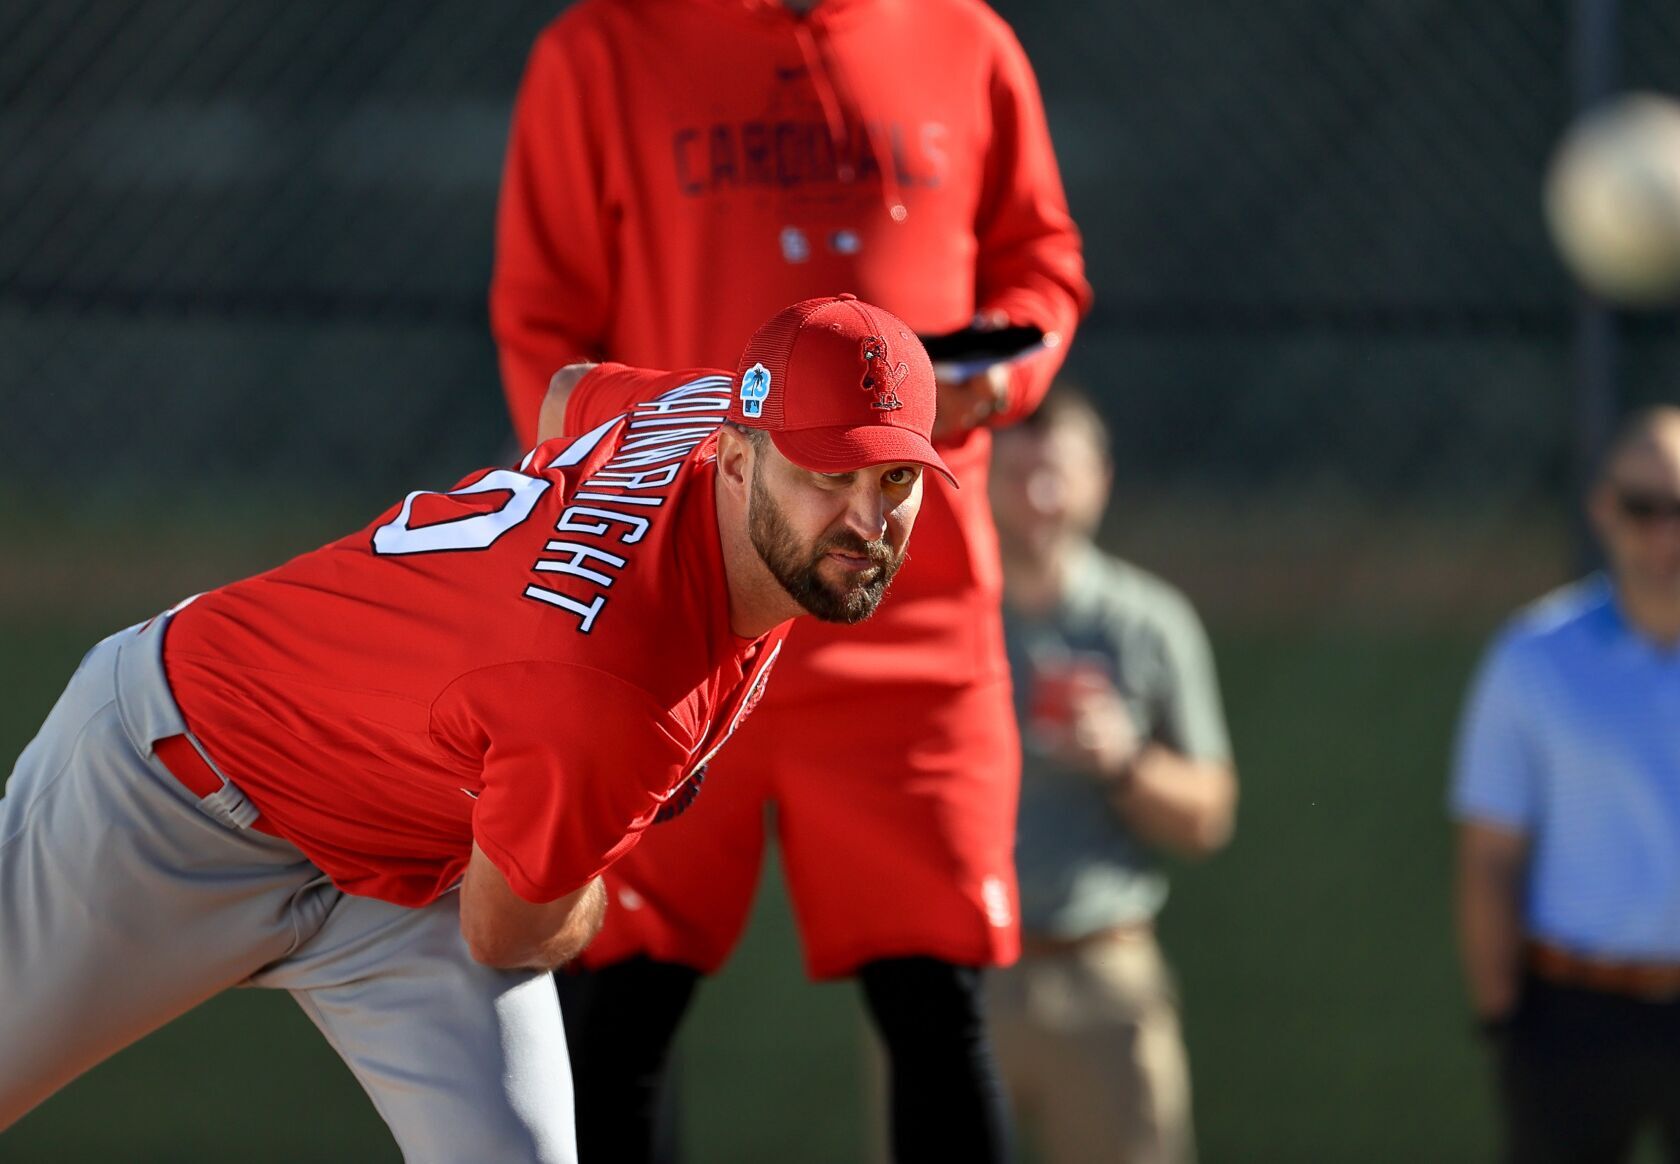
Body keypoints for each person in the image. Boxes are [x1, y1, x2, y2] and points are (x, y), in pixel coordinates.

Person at [0, 295, 949, 1162]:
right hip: (173, 787)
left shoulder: (696, 413)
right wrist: (587, 881)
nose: (869, 518)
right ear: (737, 457)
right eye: (830, 472)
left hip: (418, 851)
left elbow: (573, 394)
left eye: (896, 474)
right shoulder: (615, 695)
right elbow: (506, 931)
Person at [490, 1, 1089, 1159]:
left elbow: (1040, 263)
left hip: (902, 600)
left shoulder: (963, 39)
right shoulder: (605, 45)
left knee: (937, 1000)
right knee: (618, 1001)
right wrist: (629, 491)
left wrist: (997, 372)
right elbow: (542, 326)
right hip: (677, 603)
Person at [1451, 405, 1680, 1164]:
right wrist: (1506, 1019)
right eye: (1642, 508)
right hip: (1572, 1017)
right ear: (1603, 509)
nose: (1666, 533)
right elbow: (1491, 852)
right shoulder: (1534, 656)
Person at [984, 385, 1237, 1164]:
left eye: (1057, 472)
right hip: (958, 977)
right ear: (981, 477)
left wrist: (1124, 760)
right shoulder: (940, 615)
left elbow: (1209, 816)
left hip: (1104, 972)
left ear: (1102, 480)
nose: (1039, 495)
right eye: (1018, 471)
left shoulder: (1149, 623)